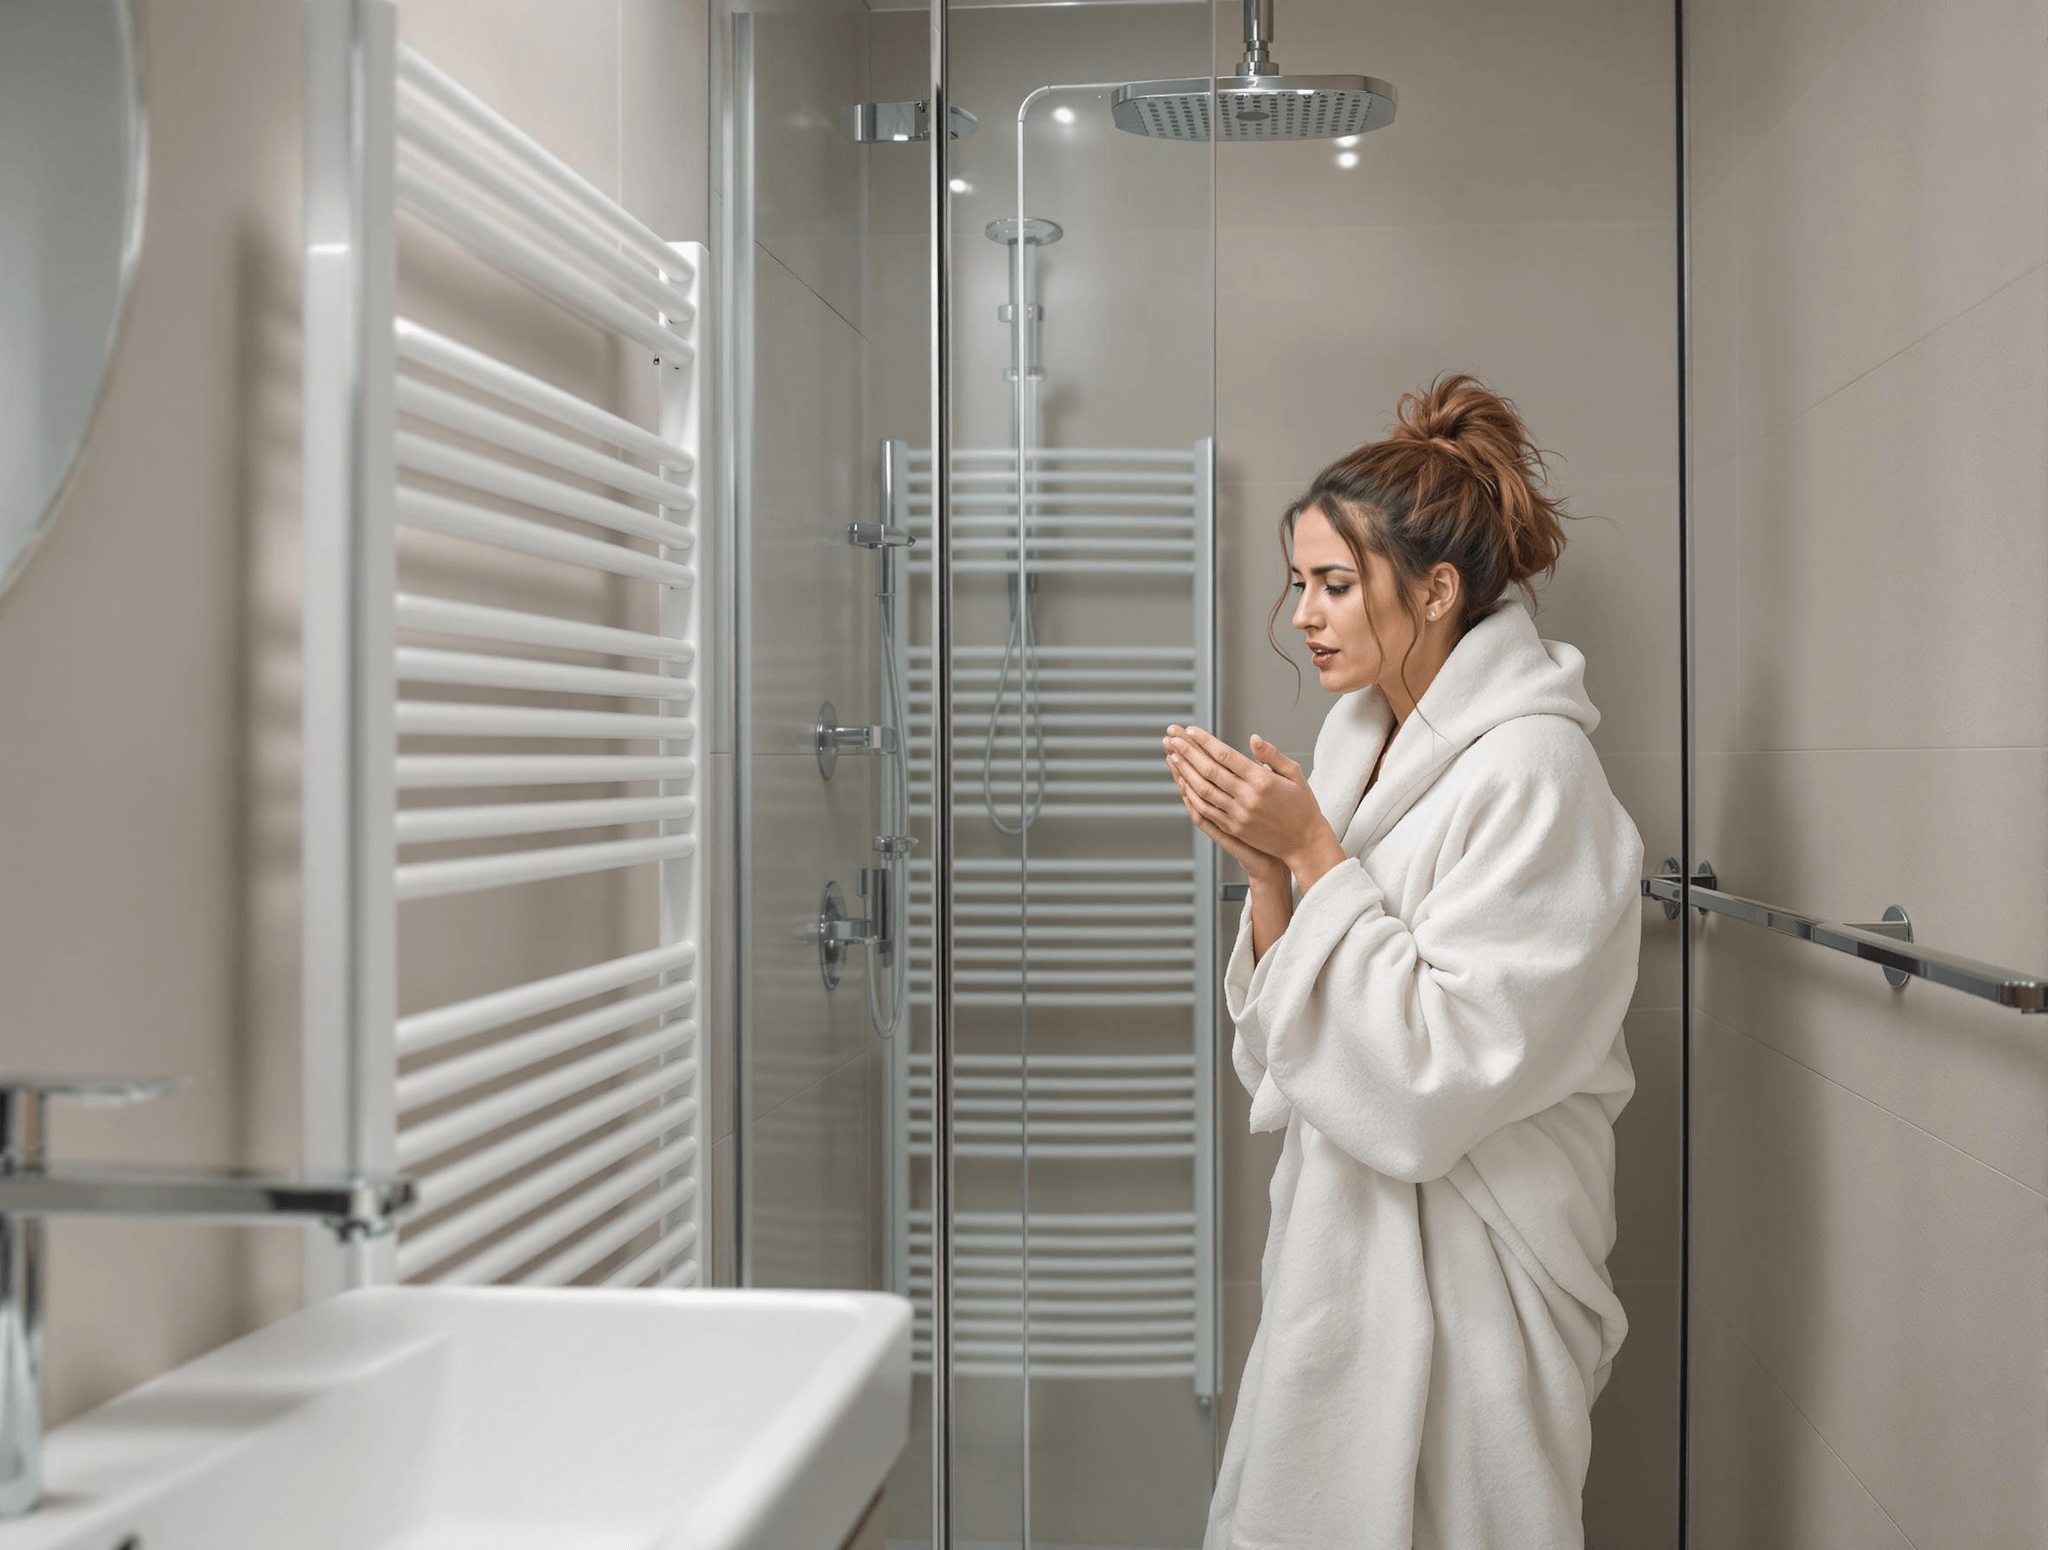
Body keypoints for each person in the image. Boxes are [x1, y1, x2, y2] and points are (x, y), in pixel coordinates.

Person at [1163, 374, 1643, 1549]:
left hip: (1481, 1254)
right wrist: (1268, 874)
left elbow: (1437, 1075)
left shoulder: (1534, 772)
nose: (1303, 615)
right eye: (1298, 584)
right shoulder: (1357, 738)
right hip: (1344, 1237)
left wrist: (1311, 851)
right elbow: (1296, 1049)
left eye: (1334, 583)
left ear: (1434, 591)